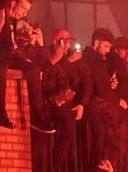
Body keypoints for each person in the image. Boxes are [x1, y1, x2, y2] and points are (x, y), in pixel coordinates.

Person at [0, 0, 55, 133]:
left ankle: (36, 114)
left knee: (34, 69)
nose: (25, 13)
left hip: (10, 56)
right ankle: (0, 113)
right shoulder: (1, 12)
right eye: (23, 8)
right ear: (12, 3)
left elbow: (14, 45)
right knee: (1, 67)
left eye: (27, 10)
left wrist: (28, 45)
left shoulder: (15, 21)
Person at [81, 28, 128, 172]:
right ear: (96, 42)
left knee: (110, 133)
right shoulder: (95, 60)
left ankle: (107, 162)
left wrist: (109, 84)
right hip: (99, 103)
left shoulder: (91, 58)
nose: (108, 50)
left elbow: (100, 84)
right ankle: (108, 162)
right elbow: (101, 89)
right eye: (106, 46)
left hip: (98, 102)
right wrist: (119, 101)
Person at [37, 28, 89, 172]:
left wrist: (80, 103)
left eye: (69, 42)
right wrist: (61, 61)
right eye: (64, 41)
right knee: (67, 128)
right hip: (50, 100)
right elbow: (42, 76)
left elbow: (83, 81)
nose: (67, 46)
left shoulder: (71, 57)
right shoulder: (47, 53)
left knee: (71, 127)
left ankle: (57, 165)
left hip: (65, 99)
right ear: (55, 41)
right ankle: (53, 167)